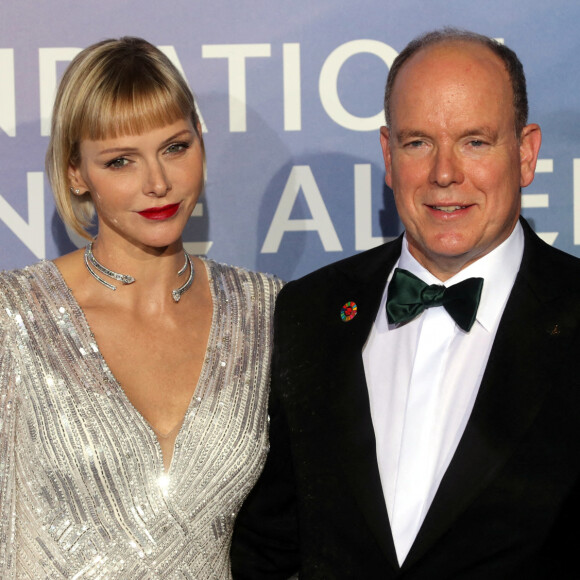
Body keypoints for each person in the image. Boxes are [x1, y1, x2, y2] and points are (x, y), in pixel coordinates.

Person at [231, 28, 580, 579]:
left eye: (475, 141)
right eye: (418, 142)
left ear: (526, 152)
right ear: (388, 156)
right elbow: (267, 547)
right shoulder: (310, 312)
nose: (444, 173)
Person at [0, 37, 282, 578]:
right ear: (77, 172)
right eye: (121, 160)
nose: (158, 183)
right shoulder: (16, 318)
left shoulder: (265, 313)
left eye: (175, 147)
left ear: (200, 141)